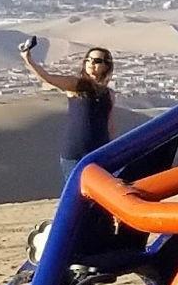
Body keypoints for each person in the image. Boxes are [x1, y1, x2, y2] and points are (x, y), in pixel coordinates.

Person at [18, 38, 115, 182]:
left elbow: (110, 124)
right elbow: (47, 78)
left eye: (97, 61)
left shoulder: (109, 94)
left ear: (106, 66)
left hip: (99, 151)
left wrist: (112, 149)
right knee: (76, 195)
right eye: (88, 60)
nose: (91, 63)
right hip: (75, 152)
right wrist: (28, 59)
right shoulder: (76, 85)